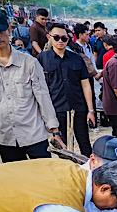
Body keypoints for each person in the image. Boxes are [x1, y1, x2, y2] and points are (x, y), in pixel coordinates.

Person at [0, 10, 64, 163]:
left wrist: (54, 130)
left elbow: (43, 97)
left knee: (43, 177)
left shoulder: (29, 63)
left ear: (9, 29)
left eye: (1, 31)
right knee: (17, 182)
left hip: (34, 133)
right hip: (5, 137)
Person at [37, 23, 95, 157]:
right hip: (56, 109)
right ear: (49, 37)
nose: (60, 41)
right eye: (56, 37)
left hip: (78, 108)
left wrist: (90, 110)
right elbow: (39, 88)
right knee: (62, 147)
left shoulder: (76, 58)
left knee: (85, 144)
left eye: (64, 38)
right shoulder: (42, 59)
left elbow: (86, 85)